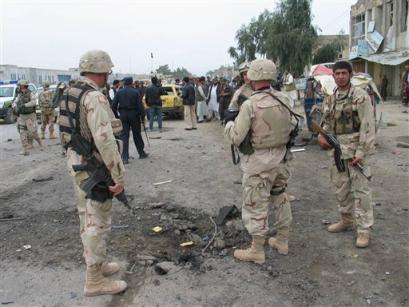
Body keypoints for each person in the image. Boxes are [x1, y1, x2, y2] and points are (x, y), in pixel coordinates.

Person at [59, 50, 127, 296]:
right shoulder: (94, 97)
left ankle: (97, 265)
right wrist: (118, 176)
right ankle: (94, 280)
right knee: (97, 222)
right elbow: (105, 141)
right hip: (94, 166)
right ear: (103, 71)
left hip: (77, 163)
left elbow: (64, 131)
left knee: (85, 216)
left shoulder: (69, 92)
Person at [224, 59, 296, 264]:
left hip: (258, 163)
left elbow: (236, 137)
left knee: (256, 204)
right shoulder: (284, 99)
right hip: (281, 160)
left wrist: (229, 121)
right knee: (280, 198)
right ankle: (282, 240)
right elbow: (293, 126)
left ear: (253, 76)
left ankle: (257, 250)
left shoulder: (250, 104)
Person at [319, 60, 375, 248]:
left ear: (350, 75)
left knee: (361, 192)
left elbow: (368, 126)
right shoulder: (330, 98)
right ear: (333, 76)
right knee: (341, 188)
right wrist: (322, 136)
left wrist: (361, 151)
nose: (341, 76)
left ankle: (364, 230)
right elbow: (326, 122)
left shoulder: (360, 96)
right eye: (337, 73)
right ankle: (346, 219)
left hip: (356, 153)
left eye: (344, 73)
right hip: (337, 152)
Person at [112, 77, 148, 163]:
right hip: (134, 115)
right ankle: (141, 153)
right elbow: (140, 106)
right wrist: (142, 117)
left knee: (124, 136)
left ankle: (125, 157)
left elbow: (113, 106)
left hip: (123, 115)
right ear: (131, 83)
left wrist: (117, 116)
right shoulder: (135, 92)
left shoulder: (119, 92)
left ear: (124, 83)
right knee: (137, 134)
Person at [13, 80, 42, 155]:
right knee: (22, 132)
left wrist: (25, 105)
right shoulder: (19, 94)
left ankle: (39, 141)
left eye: (20, 86)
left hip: (30, 115)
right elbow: (15, 101)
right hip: (22, 116)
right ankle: (25, 149)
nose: (19, 87)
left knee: (32, 132)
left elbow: (34, 102)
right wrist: (14, 105)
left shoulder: (31, 93)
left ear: (23, 86)